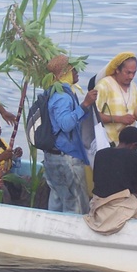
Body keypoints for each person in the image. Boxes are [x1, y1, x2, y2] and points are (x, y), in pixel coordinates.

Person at [43, 54, 98, 214]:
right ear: (65, 73)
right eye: (74, 70)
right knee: (75, 204)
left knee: (57, 200)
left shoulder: (52, 91)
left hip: (53, 157)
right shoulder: (62, 96)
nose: (77, 73)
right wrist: (85, 104)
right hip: (65, 159)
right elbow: (66, 124)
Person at [94, 52, 137, 144]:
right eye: (128, 72)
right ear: (117, 70)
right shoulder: (104, 86)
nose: (131, 77)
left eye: (134, 73)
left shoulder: (133, 87)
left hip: (129, 144)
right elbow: (94, 115)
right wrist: (119, 119)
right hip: (108, 143)